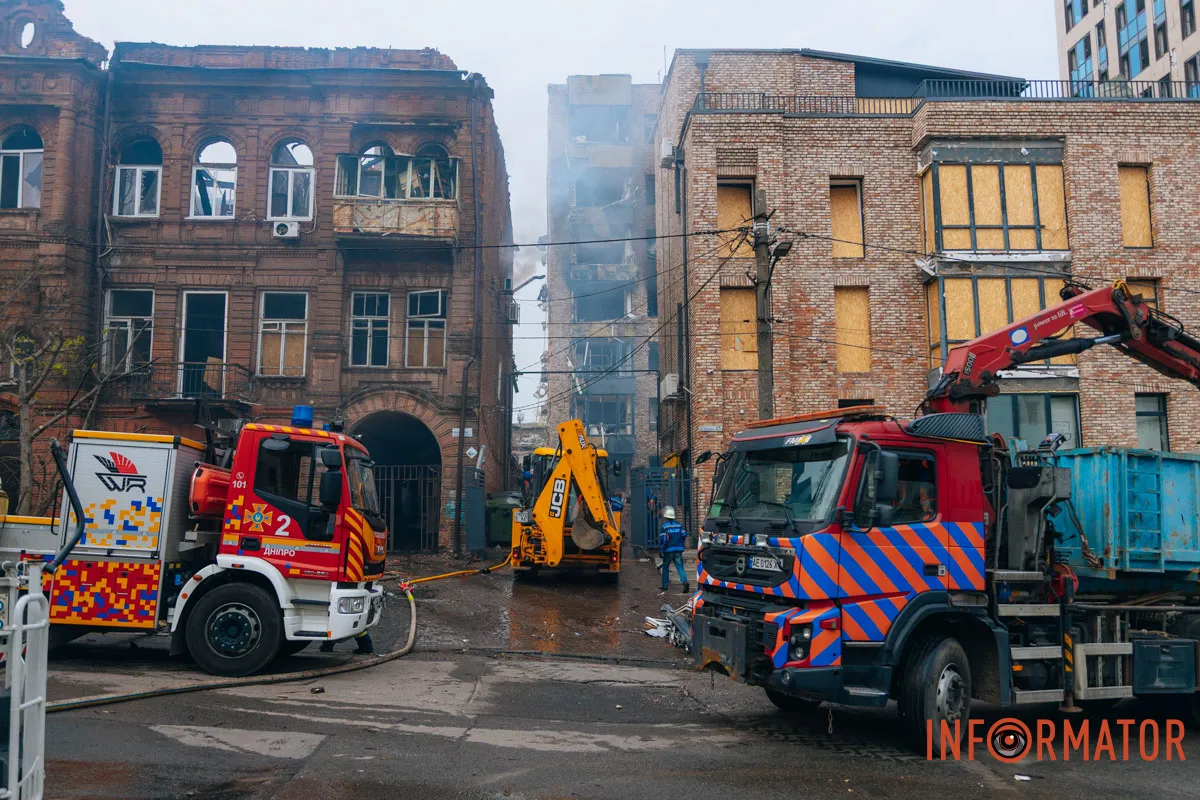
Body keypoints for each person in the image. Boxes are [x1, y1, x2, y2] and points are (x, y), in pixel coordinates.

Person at [658, 506, 689, 595]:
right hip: (678, 550)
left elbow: (663, 539)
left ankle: (665, 586)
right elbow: (684, 534)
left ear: (665, 516)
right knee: (680, 567)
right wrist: (680, 544)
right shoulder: (679, 525)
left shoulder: (665, 526)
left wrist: (661, 550)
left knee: (665, 567)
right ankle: (685, 581)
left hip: (668, 550)